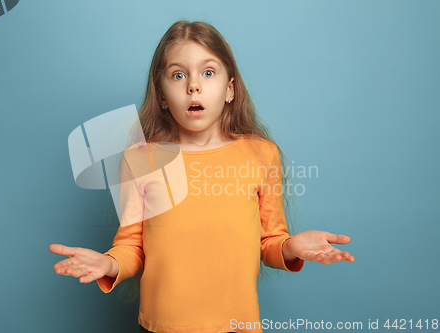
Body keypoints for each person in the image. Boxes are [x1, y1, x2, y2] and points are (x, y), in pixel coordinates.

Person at [49, 20, 355, 333]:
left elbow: (269, 241)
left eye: (208, 72)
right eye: (178, 75)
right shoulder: (140, 159)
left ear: (230, 89)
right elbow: (132, 246)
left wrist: (291, 246)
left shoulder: (261, 154)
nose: (193, 85)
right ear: (162, 95)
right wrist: (109, 264)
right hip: (162, 327)